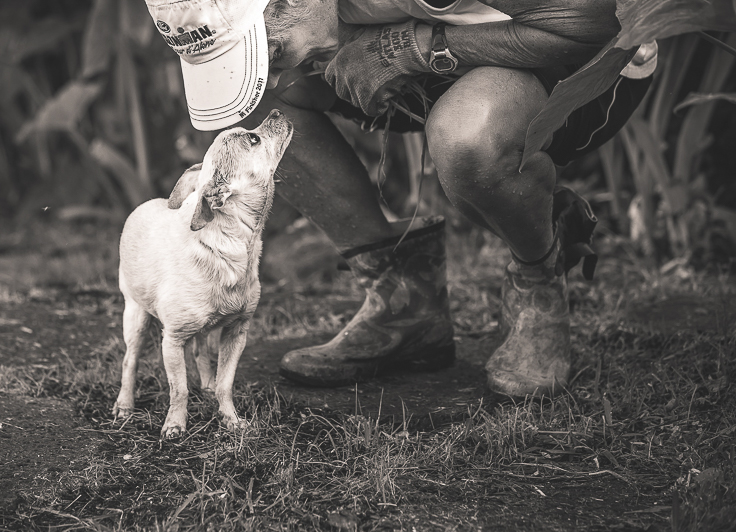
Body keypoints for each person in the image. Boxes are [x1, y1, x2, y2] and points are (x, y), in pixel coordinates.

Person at [143, 0, 656, 397]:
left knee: (466, 138)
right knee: (253, 104)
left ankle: (540, 274)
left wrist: (408, 49)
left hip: (581, 63)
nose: (276, 72)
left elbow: (594, 21)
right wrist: (398, 45)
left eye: (272, 53)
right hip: (444, 49)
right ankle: (404, 301)